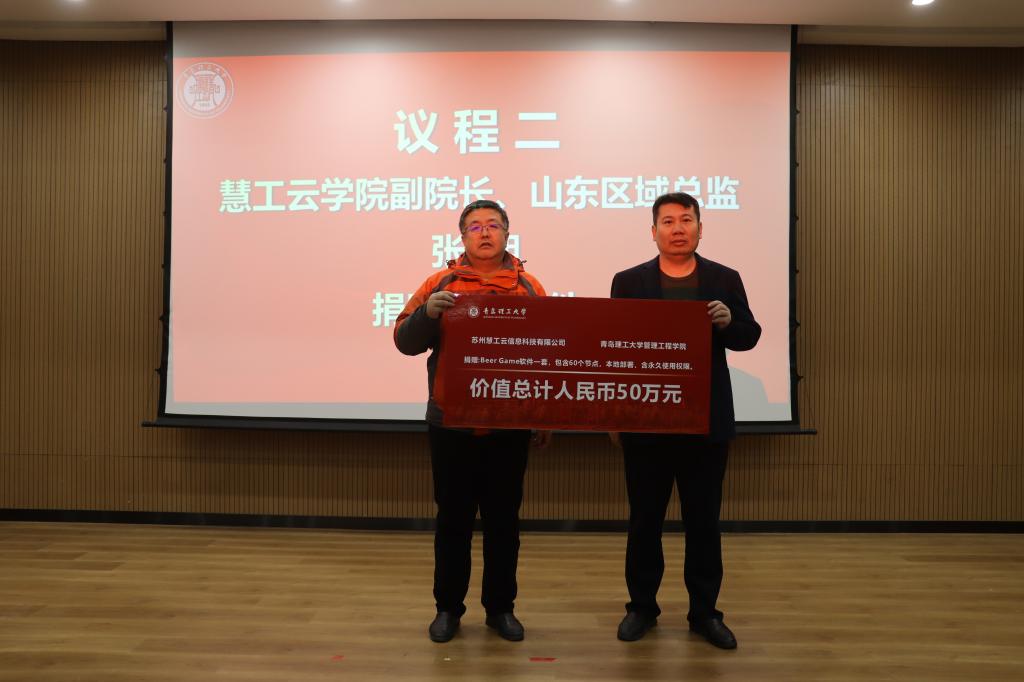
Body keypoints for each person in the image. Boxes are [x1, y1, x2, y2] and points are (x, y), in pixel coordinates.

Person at [610, 192, 761, 649]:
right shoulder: (628, 281)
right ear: (653, 231)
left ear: (700, 227)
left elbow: (749, 336)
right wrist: (615, 414)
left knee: (703, 522)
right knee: (645, 521)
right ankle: (641, 608)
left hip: (705, 422)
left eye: (686, 220)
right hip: (647, 419)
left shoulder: (723, 278)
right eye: (668, 221)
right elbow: (612, 344)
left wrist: (728, 321)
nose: (678, 228)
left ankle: (704, 613)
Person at [393, 199, 549, 643]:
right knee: (453, 522)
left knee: (504, 523)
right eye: (475, 227)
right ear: (462, 237)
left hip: (509, 425)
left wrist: (544, 416)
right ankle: (448, 609)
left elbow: (548, 353)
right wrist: (429, 313)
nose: (485, 233)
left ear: (507, 234)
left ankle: (500, 610)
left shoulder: (529, 286)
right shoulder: (439, 283)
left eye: (493, 225)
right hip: (451, 424)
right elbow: (404, 341)